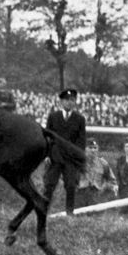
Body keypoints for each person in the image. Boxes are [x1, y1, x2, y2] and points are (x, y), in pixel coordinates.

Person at [43, 88, 87, 216]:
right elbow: (47, 137)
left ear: (75, 102)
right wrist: (47, 154)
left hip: (70, 159)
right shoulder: (53, 117)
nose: (69, 102)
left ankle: (69, 212)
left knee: (71, 185)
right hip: (55, 157)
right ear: (61, 102)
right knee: (49, 185)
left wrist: (77, 157)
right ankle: (43, 211)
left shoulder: (80, 119)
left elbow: (81, 141)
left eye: (72, 100)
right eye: (67, 100)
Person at [78, 138, 117, 206]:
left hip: (96, 197)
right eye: (90, 148)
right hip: (80, 196)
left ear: (98, 149)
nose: (93, 150)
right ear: (85, 149)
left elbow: (112, 181)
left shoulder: (103, 163)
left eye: (95, 148)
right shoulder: (78, 163)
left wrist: (104, 187)